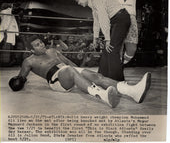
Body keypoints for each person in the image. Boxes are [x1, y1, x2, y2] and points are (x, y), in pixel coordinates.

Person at [8, 36, 151, 108]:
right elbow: (21, 78)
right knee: (69, 70)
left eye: (41, 42)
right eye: (37, 45)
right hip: (56, 81)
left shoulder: (52, 50)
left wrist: (81, 71)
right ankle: (102, 95)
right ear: (32, 50)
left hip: (68, 70)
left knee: (96, 76)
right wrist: (18, 82)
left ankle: (132, 91)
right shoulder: (29, 61)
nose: (42, 45)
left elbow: (69, 63)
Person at [70, 0, 130, 81]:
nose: (78, 3)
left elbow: (103, 19)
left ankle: (118, 82)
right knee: (106, 51)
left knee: (112, 49)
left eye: (78, 0)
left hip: (121, 19)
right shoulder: (93, 3)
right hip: (116, 20)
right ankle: (101, 79)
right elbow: (96, 22)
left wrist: (107, 39)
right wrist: (95, 38)